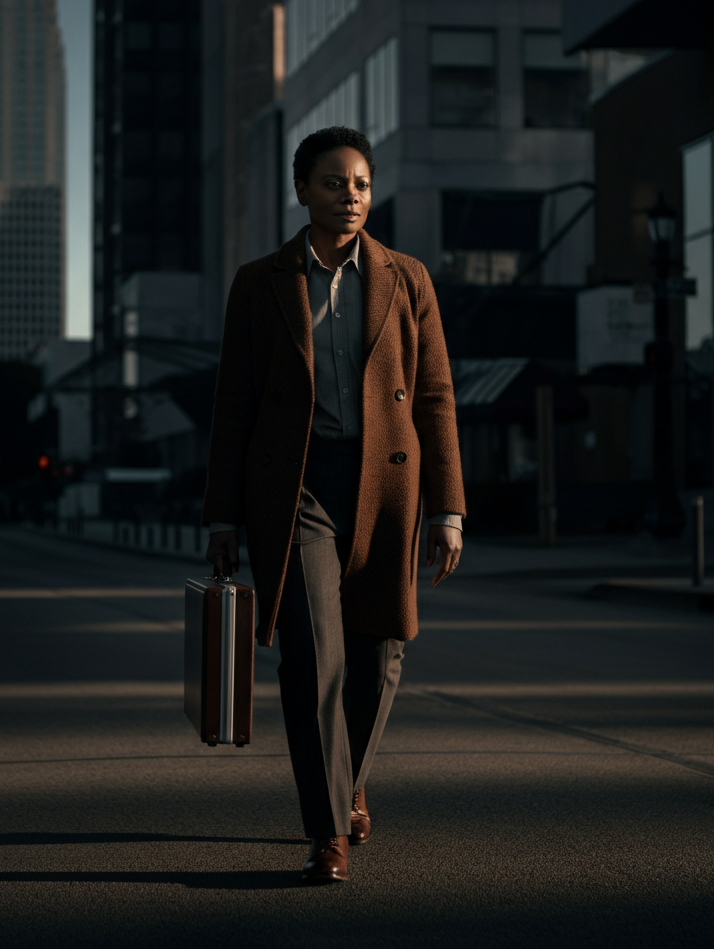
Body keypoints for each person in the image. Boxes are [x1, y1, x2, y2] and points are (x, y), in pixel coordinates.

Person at [203, 126, 464, 884]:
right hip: (297, 487)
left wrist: (449, 506)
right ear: (302, 192)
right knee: (313, 654)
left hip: (387, 484)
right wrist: (222, 514)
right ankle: (327, 831)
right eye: (331, 183)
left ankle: (346, 782)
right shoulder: (260, 283)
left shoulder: (408, 277)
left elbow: (439, 396)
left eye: (359, 183)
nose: (348, 195)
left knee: (381, 649)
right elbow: (233, 404)